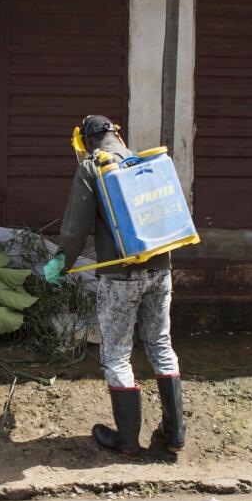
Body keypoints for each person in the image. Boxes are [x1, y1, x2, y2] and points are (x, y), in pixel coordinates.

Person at [45, 115, 185, 458]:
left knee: (117, 355)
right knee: (160, 344)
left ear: (86, 141)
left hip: (120, 278)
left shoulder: (93, 168)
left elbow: (76, 229)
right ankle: (175, 434)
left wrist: (61, 263)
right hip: (161, 270)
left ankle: (127, 442)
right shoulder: (144, 164)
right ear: (117, 134)